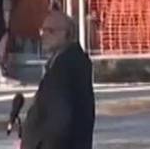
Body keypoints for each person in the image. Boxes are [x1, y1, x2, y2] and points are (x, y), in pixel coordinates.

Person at [21, 11, 95, 149]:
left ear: (66, 34)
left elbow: (61, 117)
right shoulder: (63, 61)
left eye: (50, 31)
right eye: (42, 30)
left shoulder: (65, 66)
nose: (43, 36)